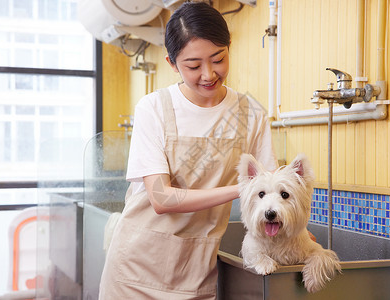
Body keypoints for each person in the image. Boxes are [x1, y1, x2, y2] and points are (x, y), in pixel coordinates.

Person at [99, 2, 277, 299]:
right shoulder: (154, 107)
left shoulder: (250, 114)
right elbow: (161, 197)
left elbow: (269, 187)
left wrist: (294, 233)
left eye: (218, 59)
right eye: (193, 66)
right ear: (172, 63)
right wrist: (241, 188)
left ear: (229, 48)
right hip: (134, 272)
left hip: (196, 271)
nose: (208, 74)